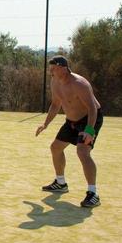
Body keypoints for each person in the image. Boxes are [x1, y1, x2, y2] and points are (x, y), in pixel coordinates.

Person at [35, 56, 104, 208]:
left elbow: (92, 108)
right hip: (71, 121)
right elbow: (55, 104)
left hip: (89, 119)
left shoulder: (80, 84)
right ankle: (61, 183)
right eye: (50, 69)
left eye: (53, 69)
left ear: (63, 68)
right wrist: (45, 124)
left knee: (82, 152)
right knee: (55, 147)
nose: (51, 72)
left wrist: (89, 130)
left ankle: (93, 194)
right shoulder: (55, 82)